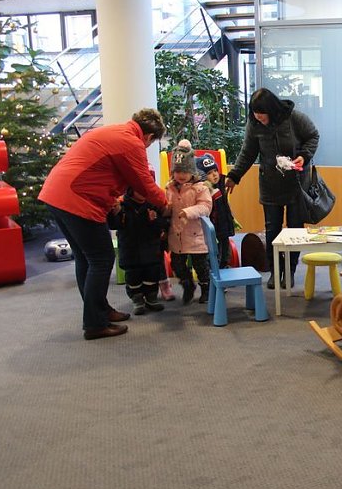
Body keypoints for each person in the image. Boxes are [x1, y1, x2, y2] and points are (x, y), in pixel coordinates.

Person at [38, 108, 168, 340]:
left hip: (55, 195)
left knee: (85, 258)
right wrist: (166, 204)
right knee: (101, 259)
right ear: (149, 137)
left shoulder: (114, 132)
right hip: (76, 199)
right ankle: (95, 323)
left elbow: (102, 173)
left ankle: (100, 311)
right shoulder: (131, 142)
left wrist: (112, 199)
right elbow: (144, 184)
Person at [225, 88, 319, 290]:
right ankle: (276, 272)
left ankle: (290, 271)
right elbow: (248, 151)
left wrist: (304, 154)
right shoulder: (254, 123)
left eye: (262, 113)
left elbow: (313, 136)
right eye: (255, 114)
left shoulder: (294, 118)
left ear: (272, 109)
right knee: (272, 230)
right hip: (270, 184)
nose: (258, 117)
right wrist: (234, 175)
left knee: (294, 229)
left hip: (295, 183)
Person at [107, 185, 168, 315]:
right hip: (130, 249)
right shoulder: (122, 204)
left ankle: (151, 299)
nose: (143, 193)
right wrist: (115, 212)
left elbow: (162, 226)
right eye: (139, 189)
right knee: (133, 277)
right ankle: (137, 300)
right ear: (131, 189)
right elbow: (114, 225)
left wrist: (154, 220)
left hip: (150, 248)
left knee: (152, 275)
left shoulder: (153, 204)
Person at [166, 140, 213, 305]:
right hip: (176, 235)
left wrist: (189, 211)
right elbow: (167, 207)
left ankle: (206, 289)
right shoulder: (169, 188)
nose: (181, 175)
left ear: (192, 171)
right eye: (177, 171)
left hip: (195, 236)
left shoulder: (200, 188)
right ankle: (187, 284)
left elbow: (206, 207)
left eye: (185, 171)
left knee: (201, 266)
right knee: (177, 265)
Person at [197, 153, 236, 269]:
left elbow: (225, 204)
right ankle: (215, 272)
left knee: (225, 250)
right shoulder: (204, 190)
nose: (214, 174)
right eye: (209, 173)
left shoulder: (221, 183)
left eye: (215, 170)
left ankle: (225, 267)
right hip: (213, 229)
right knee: (214, 252)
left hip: (224, 225)